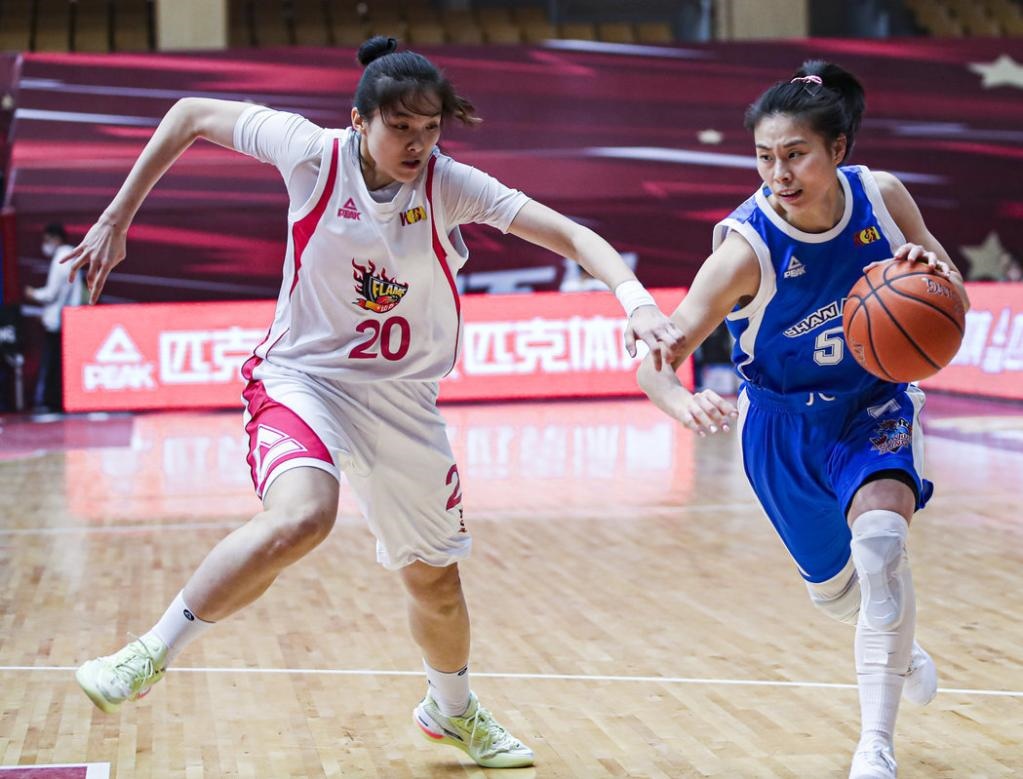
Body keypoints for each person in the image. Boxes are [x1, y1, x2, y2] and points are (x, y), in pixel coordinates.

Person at [68, 37, 684, 769]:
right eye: (401, 128)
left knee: (436, 584)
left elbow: (573, 235)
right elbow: (189, 113)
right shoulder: (310, 154)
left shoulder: (448, 184)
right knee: (303, 515)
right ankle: (146, 654)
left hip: (402, 404)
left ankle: (451, 711)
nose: (418, 144)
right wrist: (116, 217)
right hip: (304, 380)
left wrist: (636, 302)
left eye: (430, 129)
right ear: (359, 120)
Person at [636, 61, 969, 779]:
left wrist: (930, 275)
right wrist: (678, 400)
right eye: (764, 156)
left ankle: (874, 745)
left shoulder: (882, 198)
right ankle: (900, 648)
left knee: (881, 547)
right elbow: (655, 360)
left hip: (872, 404)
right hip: (781, 428)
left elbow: (956, 296)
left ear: (837, 149)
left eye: (794, 154)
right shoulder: (744, 250)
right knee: (837, 594)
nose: (778, 173)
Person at [24, 222, 83, 412]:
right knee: (58, 363)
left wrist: (33, 294)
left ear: (56, 239)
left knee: (52, 364)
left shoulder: (62, 258)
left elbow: (52, 294)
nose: (45, 244)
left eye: (47, 240)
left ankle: (51, 402)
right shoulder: (70, 256)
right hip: (64, 319)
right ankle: (54, 401)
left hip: (59, 322)